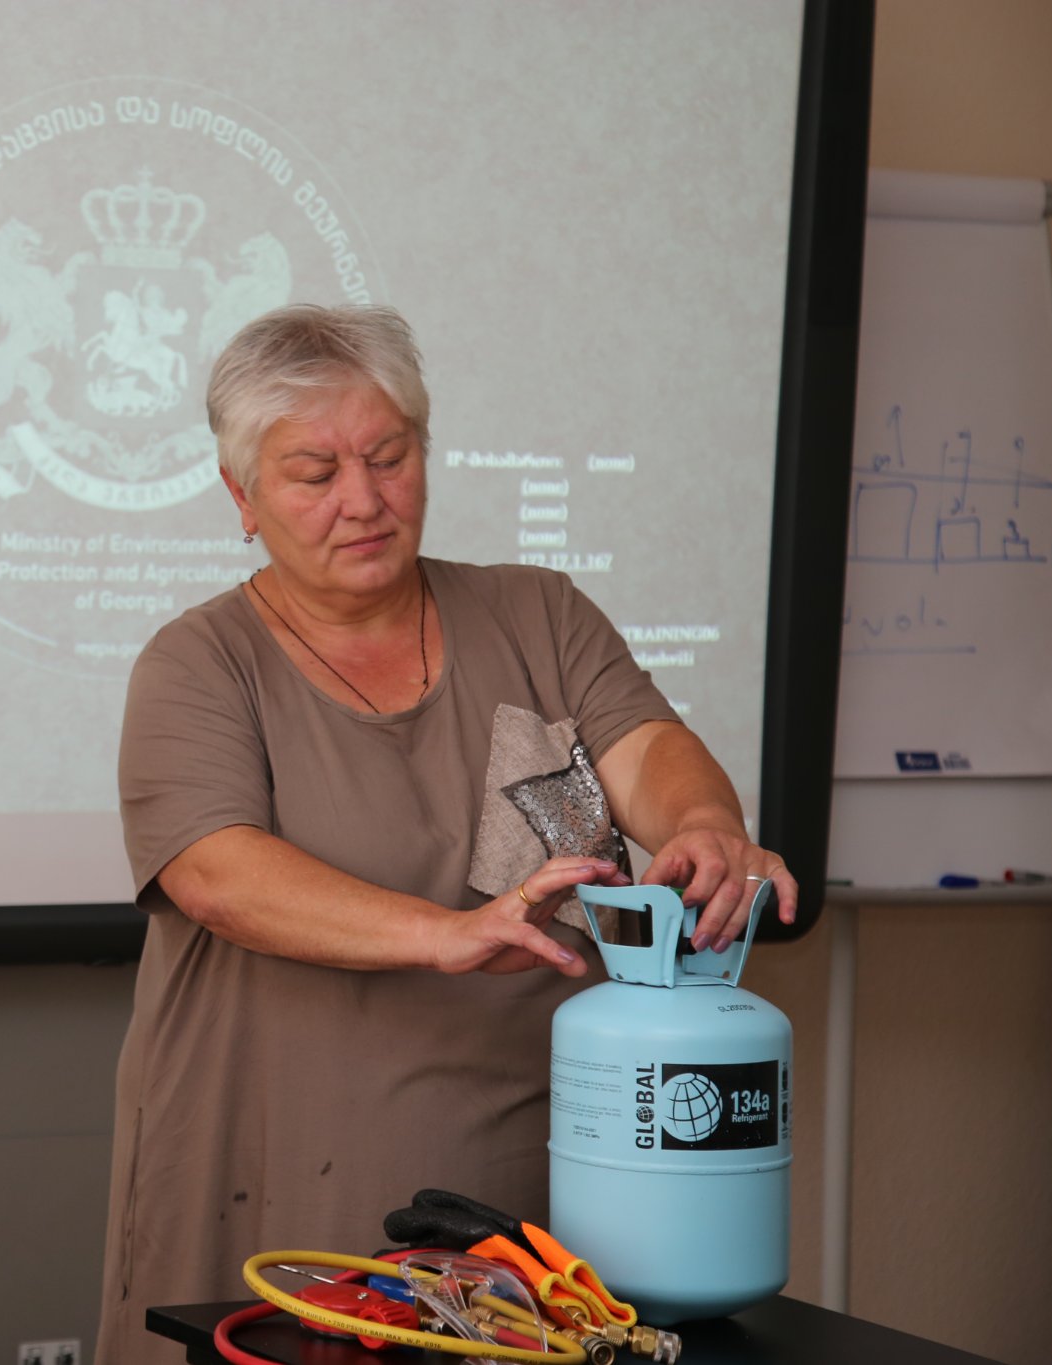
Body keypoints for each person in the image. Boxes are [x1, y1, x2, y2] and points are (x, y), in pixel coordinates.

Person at [94, 303, 797, 1363]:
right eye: (314, 473)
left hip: (536, 1226)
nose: (364, 499)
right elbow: (216, 874)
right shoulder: (197, 664)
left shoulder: (538, 614)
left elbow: (649, 747)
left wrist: (704, 826)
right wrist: (447, 933)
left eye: (389, 457)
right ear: (240, 496)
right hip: (278, 1191)